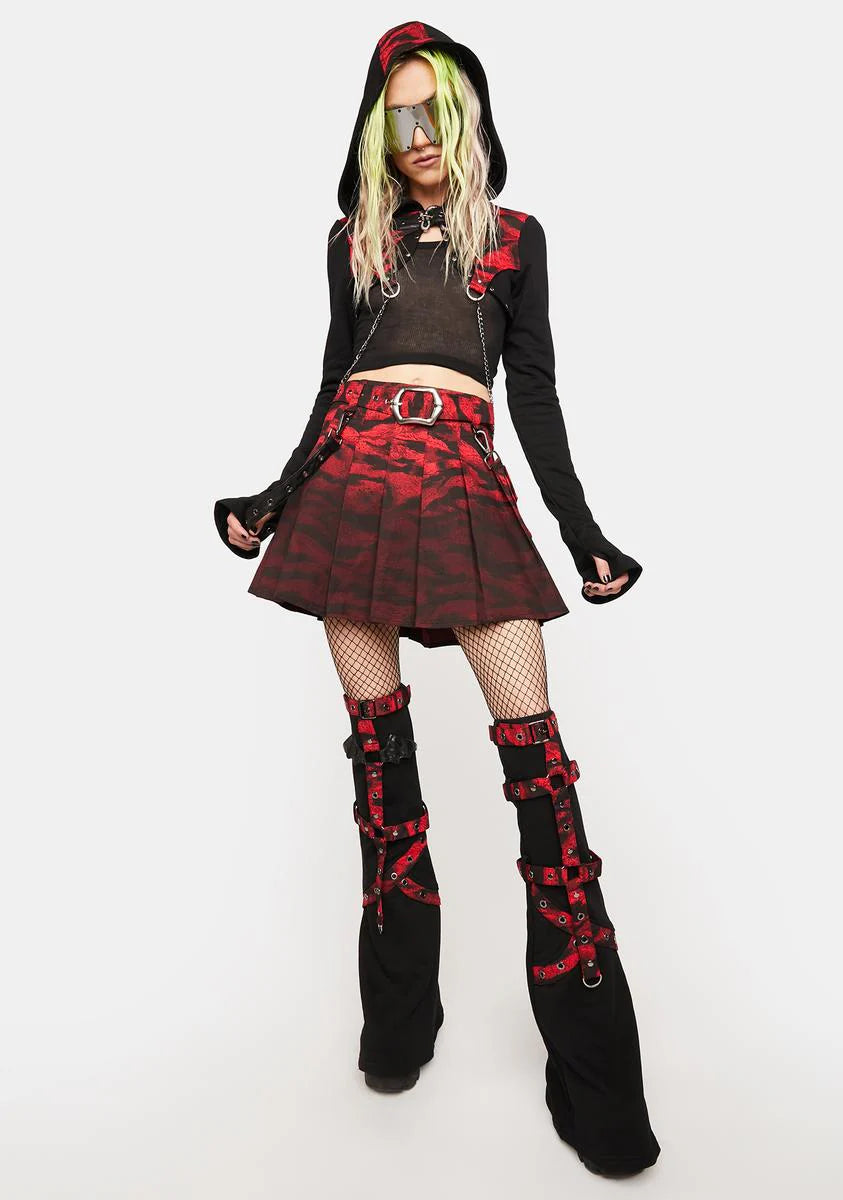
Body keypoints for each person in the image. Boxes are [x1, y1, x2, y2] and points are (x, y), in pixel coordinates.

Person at [213, 21, 659, 1179]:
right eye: (397, 113)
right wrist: (273, 497)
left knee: (543, 783)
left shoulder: (515, 240)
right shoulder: (350, 242)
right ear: (378, 127)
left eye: (436, 110)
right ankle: (399, 1031)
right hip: (351, 482)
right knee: (383, 782)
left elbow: (537, 397)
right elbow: (332, 383)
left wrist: (582, 534)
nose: (418, 133)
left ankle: (601, 1091)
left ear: (467, 118)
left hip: (462, 481)